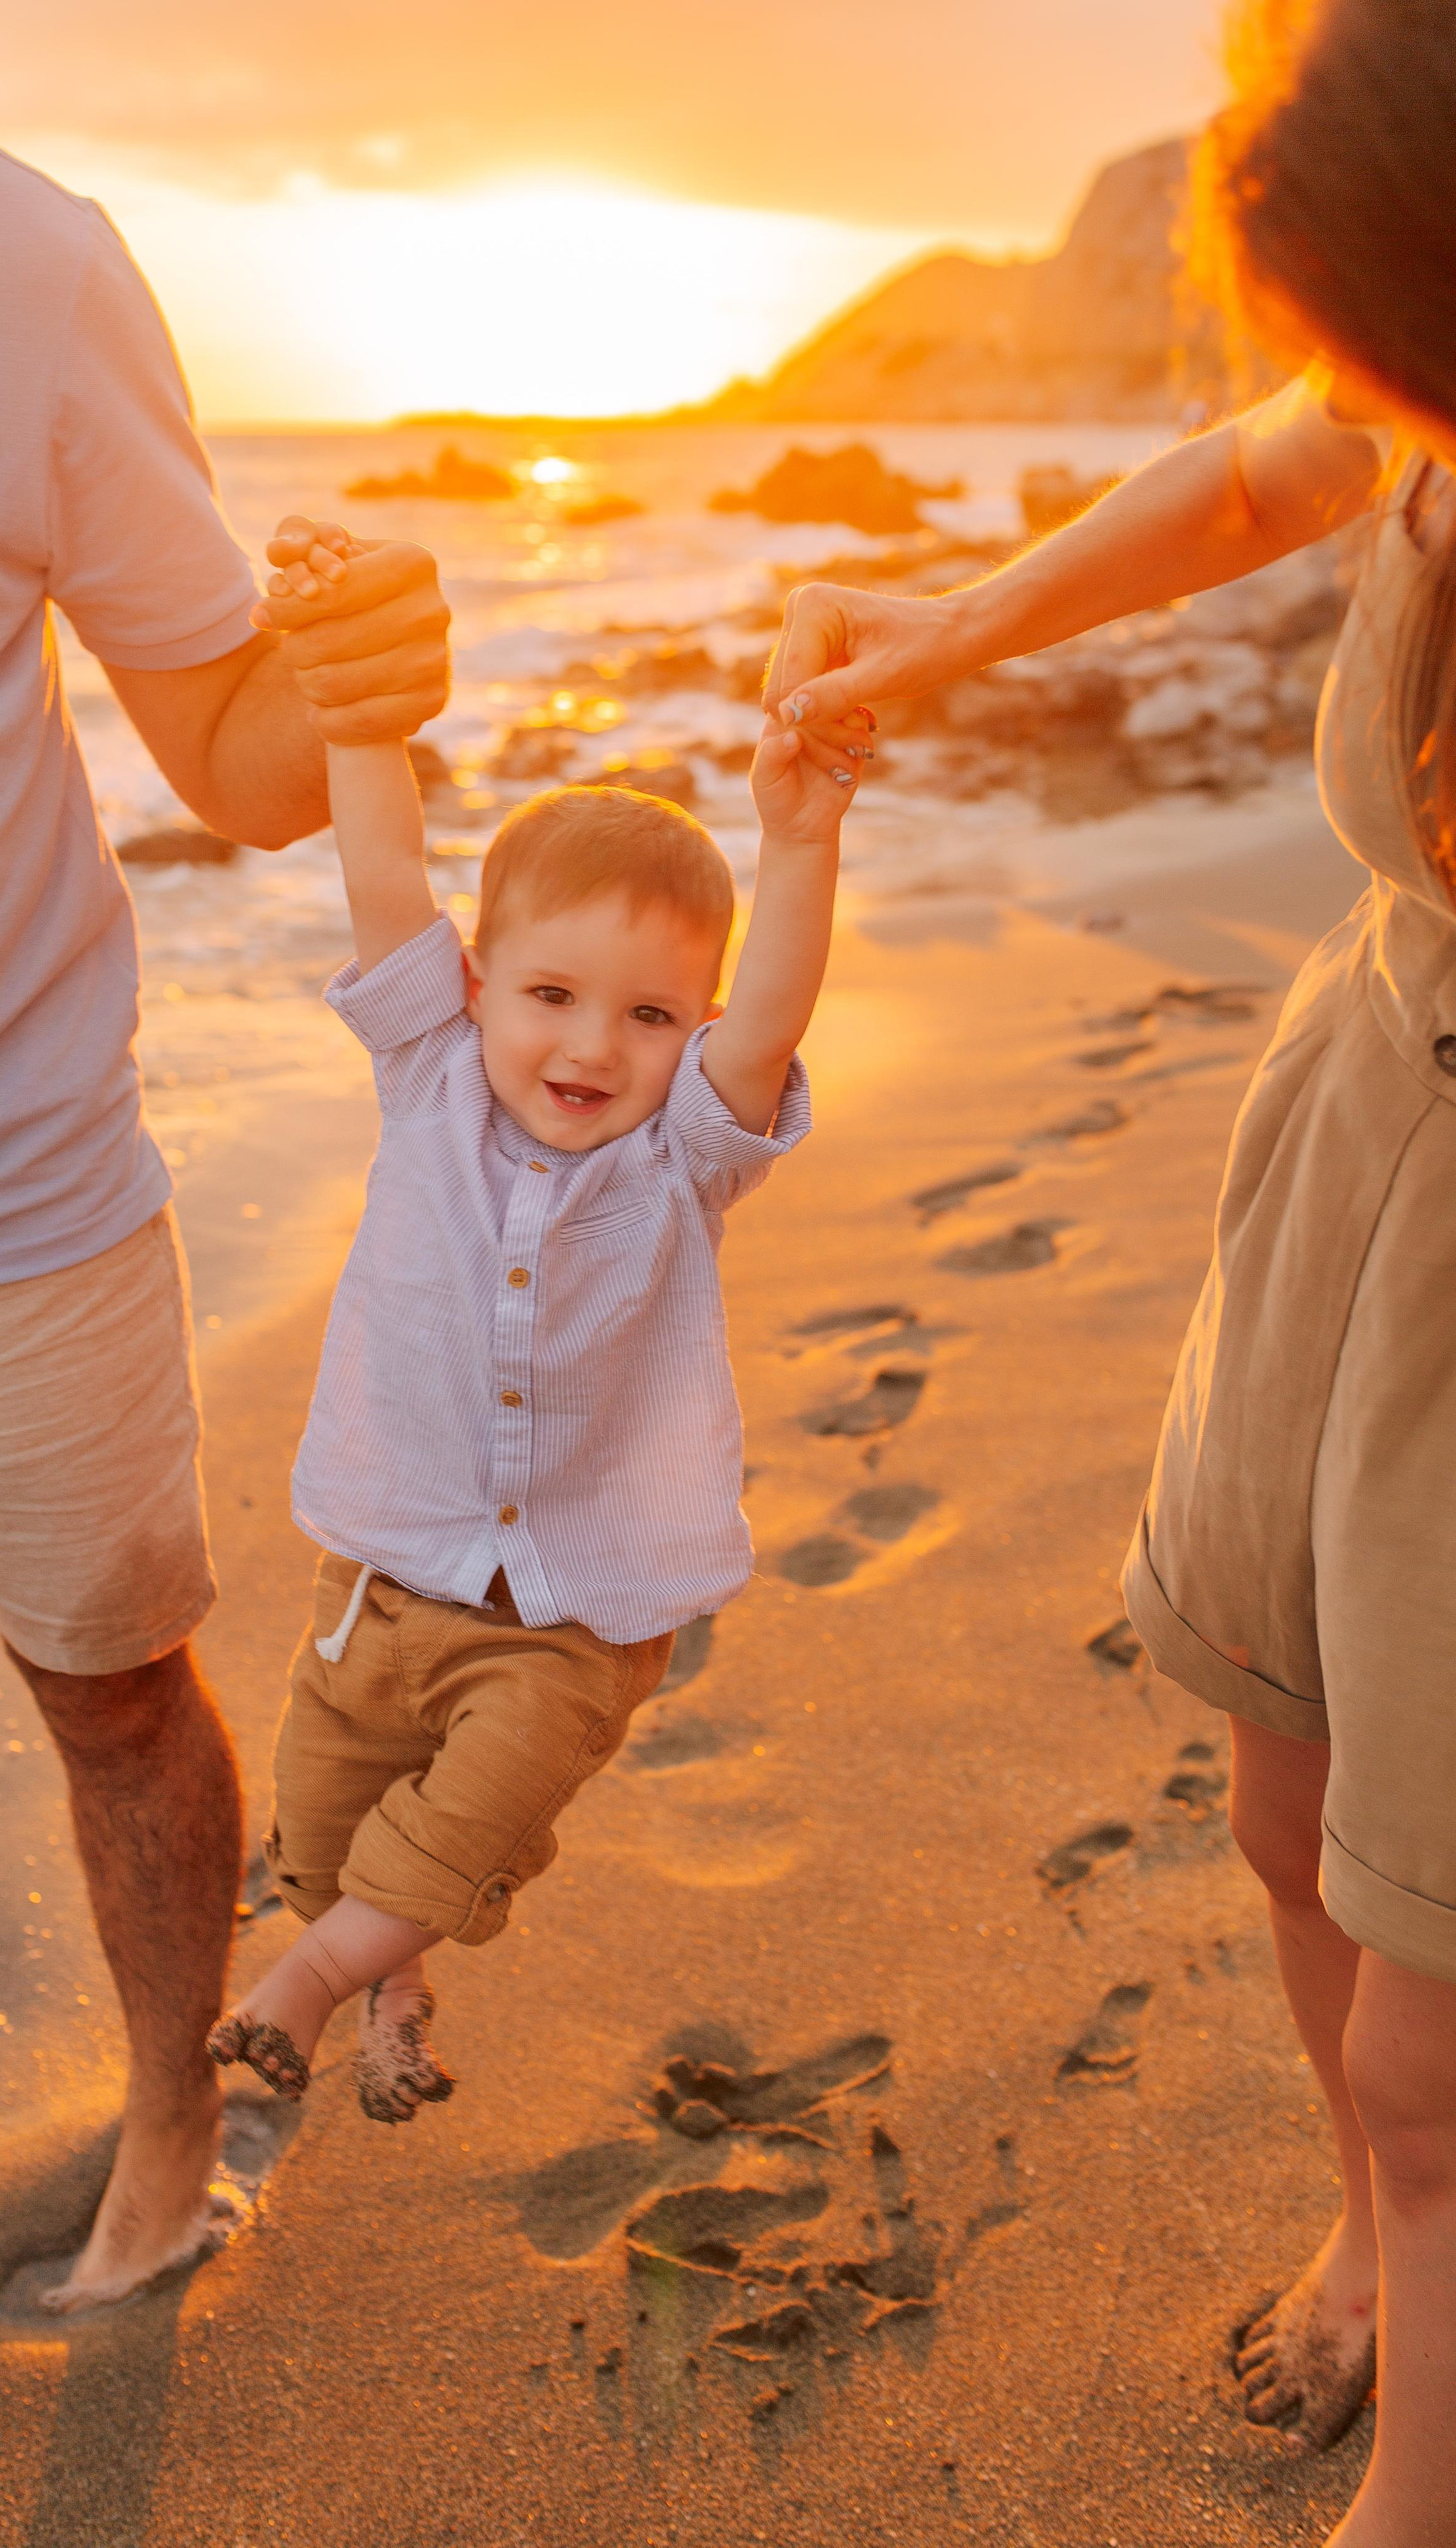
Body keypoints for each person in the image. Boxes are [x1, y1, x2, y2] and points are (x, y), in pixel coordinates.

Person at [767, 4, 1456, 2537]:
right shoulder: (1409, 384)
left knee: (1438, 2001)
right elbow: (1259, 473)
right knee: (1285, 1790)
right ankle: (1382, 2230)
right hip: (1368, 1111)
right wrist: (940, 644)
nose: (1374, 407)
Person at [0, 9, 449, 2377]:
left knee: (114, 1697)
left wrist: (361, 681)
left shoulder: (13, 264)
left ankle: (175, 2120)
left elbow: (233, 752)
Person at [204, 523, 864, 2111]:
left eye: (648, 1016)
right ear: (475, 981)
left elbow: (775, 1004)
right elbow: (382, 866)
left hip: (575, 1611)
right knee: (325, 1843)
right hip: (387, 1570)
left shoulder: (684, 1156)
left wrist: (801, 839)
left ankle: (305, 1991)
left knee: (451, 1832)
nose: (590, 1047)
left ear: (695, 1031)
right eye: (550, 996)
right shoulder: (426, 1074)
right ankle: (388, 1986)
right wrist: (355, 702)